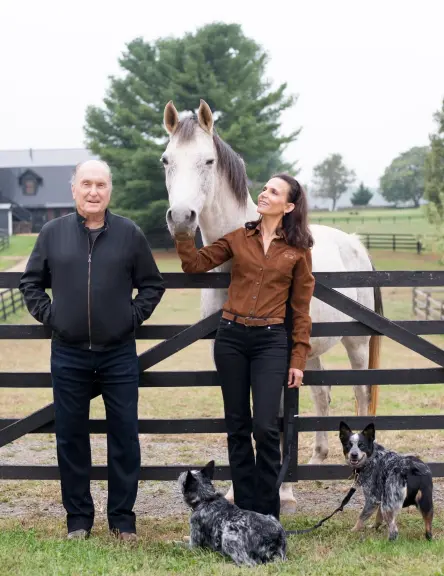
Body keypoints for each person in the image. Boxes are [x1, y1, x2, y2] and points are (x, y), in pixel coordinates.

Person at [19, 160, 165, 541]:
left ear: (109, 190)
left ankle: (122, 520)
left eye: (101, 184)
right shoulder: (52, 233)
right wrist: (53, 318)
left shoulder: (129, 233)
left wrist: (128, 319)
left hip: (118, 354)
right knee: (70, 437)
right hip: (67, 353)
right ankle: (79, 521)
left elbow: (152, 285)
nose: (93, 191)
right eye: (86, 184)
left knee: (124, 436)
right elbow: (31, 283)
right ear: (74, 189)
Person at [173, 174, 315, 520]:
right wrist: (182, 233)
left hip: (270, 342)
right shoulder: (238, 238)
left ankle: (268, 514)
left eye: (273, 192)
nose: (263, 195)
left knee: (266, 427)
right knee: (237, 426)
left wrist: (298, 357)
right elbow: (194, 265)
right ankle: (244, 510)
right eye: (264, 189)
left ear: (289, 205)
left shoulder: (298, 251)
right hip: (232, 339)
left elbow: (300, 309)